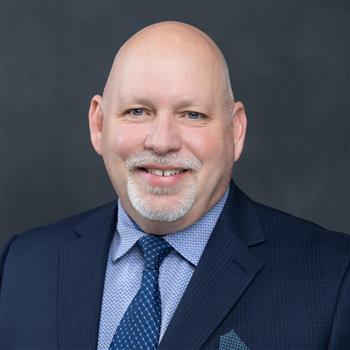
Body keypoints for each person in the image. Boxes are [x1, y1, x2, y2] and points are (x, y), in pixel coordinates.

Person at [0, 21, 349, 350]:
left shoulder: (333, 281)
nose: (162, 142)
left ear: (235, 131)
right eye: (138, 111)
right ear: (99, 124)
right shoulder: (22, 267)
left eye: (192, 115)